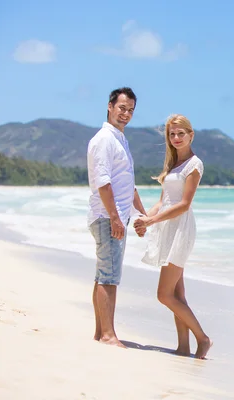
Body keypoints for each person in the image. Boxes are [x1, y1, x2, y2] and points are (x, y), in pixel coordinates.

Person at [133, 114, 212, 360]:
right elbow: (163, 201)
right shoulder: (172, 165)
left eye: (180, 133)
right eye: (172, 134)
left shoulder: (194, 165)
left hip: (180, 229)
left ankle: (203, 338)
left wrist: (152, 220)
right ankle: (182, 347)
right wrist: (144, 219)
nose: (176, 138)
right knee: (177, 295)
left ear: (191, 135)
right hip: (167, 227)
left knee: (164, 295)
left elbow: (184, 205)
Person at [87, 87, 147, 348]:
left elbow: (127, 184)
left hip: (115, 216)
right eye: (122, 108)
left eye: (131, 110)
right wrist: (114, 217)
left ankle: (101, 333)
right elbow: (103, 182)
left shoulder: (120, 139)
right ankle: (108, 335)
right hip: (107, 216)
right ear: (110, 106)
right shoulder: (104, 139)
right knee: (109, 276)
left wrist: (144, 215)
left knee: (104, 274)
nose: (126, 114)